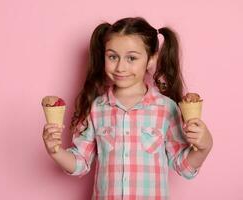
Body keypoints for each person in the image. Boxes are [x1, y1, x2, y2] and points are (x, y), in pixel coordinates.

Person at [42, 17, 213, 199]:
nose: (120, 67)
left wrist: (204, 147)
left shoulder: (166, 109)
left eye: (131, 58)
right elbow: (80, 162)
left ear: (151, 59)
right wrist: (55, 151)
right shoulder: (96, 108)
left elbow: (183, 166)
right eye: (113, 57)